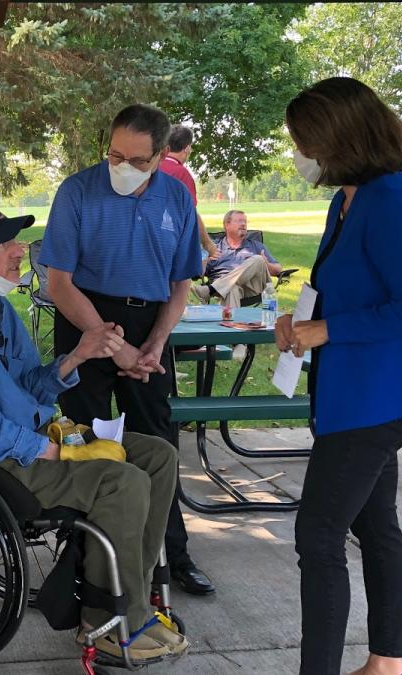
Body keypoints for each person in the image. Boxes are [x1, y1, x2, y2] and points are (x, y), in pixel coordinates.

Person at [0, 203, 189, 664]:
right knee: (122, 479)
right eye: (4, 243)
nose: (19, 252)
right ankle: (107, 620)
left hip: (24, 438)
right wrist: (50, 450)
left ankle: (133, 587)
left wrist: (77, 356)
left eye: (16, 240)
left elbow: (28, 386)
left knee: (156, 455)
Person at [275, 77, 402, 675]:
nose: (299, 155)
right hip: (353, 389)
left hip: (382, 396)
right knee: (376, 523)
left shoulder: (392, 200)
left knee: (318, 534)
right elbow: (341, 285)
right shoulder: (346, 198)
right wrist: (300, 319)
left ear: (339, 138)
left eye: (304, 142)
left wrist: (327, 331)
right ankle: (387, 663)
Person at [40, 104, 215, 596]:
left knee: (158, 446)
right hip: (85, 319)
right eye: (114, 153)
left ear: (160, 156)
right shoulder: (78, 191)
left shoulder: (177, 198)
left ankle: (170, 556)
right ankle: (81, 564)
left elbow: (181, 281)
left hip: (149, 323)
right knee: (85, 448)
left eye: (136, 160)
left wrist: (155, 343)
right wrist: (111, 345)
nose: (121, 165)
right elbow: (59, 283)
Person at [194, 209, 284, 307]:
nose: (243, 224)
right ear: (226, 225)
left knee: (258, 259)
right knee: (231, 288)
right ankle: (230, 322)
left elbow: (278, 270)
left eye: (245, 221)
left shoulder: (256, 246)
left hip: (252, 287)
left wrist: (266, 264)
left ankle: (211, 290)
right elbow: (197, 274)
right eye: (239, 221)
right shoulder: (214, 248)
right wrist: (205, 259)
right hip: (225, 288)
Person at [158, 125, 219, 262]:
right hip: (170, 243)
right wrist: (208, 244)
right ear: (187, 148)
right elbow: (190, 214)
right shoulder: (181, 174)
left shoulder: (151, 166)